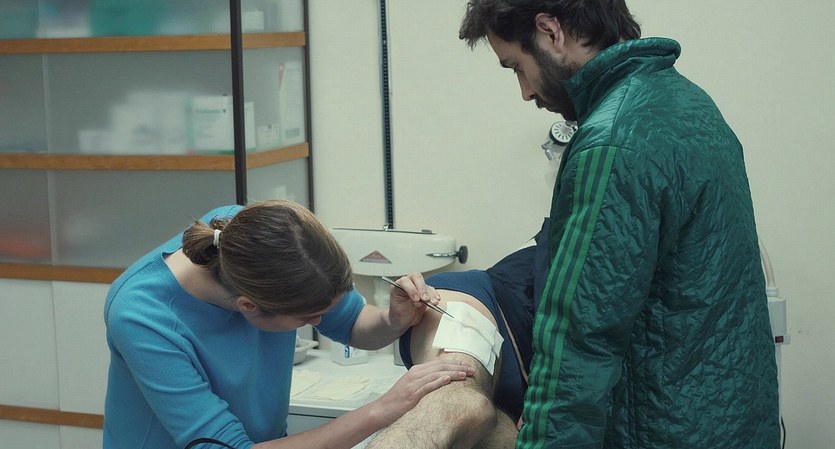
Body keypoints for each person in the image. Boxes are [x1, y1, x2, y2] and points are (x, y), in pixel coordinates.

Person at [375, 1, 782, 448]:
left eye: (518, 67)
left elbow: (580, 345)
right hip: (735, 420)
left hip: (665, 430)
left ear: (551, 32)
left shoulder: (611, 143)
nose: (525, 91)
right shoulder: (688, 105)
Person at [102, 199, 476, 449]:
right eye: (308, 319)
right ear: (248, 307)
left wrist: (392, 320)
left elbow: (351, 323)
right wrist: (383, 409)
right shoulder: (142, 317)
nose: (320, 322)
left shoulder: (248, 235)